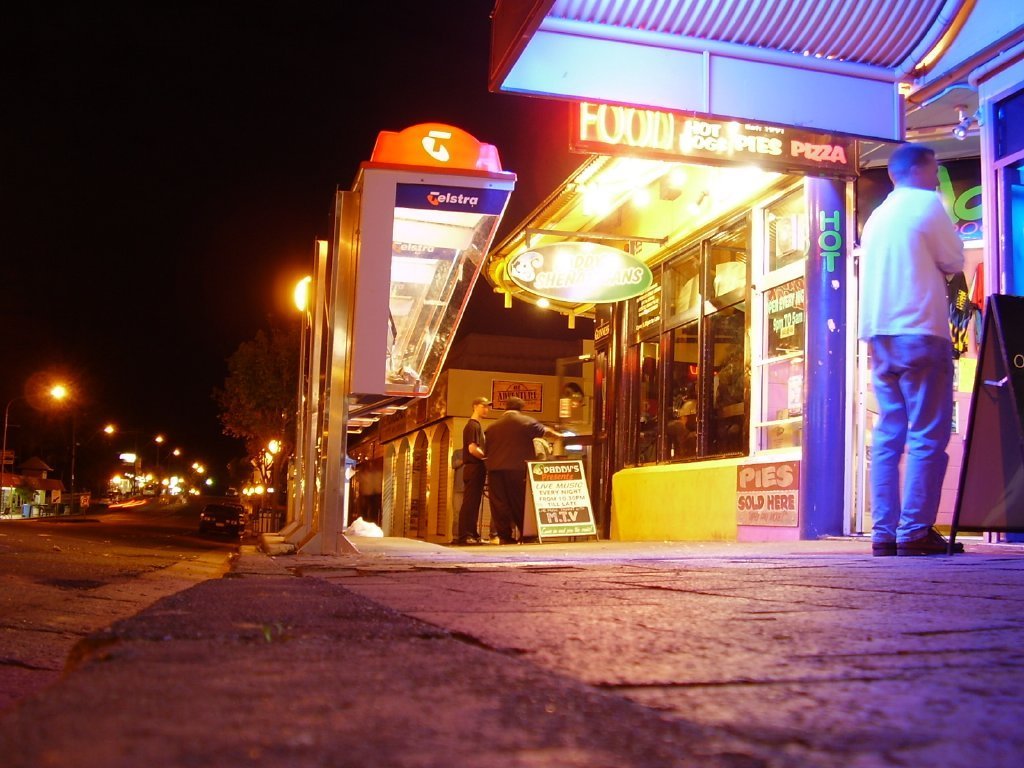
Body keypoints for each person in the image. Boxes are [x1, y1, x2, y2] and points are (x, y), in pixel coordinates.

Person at [859, 142, 965, 557]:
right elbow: (954, 260)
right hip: (919, 330)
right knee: (926, 432)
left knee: (889, 433)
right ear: (921, 170)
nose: (938, 174)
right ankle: (915, 531)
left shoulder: (877, 217)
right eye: (935, 167)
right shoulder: (927, 204)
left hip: (879, 334)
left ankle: (883, 532)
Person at [484, 396, 561, 544]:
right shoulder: (526, 422)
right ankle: (526, 535)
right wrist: (560, 435)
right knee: (519, 501)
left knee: (499, 503)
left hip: (495, 470)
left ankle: (505, 537)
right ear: (521, 408)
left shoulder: (491, 428)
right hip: (517, 468)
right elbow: (545, 432)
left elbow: (486, 451)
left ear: (506, 408)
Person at [455, 396, 490, 545]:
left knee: (474, 503)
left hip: (474, 468)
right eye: (484, 406)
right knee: (470, 503)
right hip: (474, 467)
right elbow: (472, 449)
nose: (486, 409)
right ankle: (465, 534)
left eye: (488, 406)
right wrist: (486, 458)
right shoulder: (473, 426)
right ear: (475, 406)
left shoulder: (476, 426)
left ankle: (472, 533)